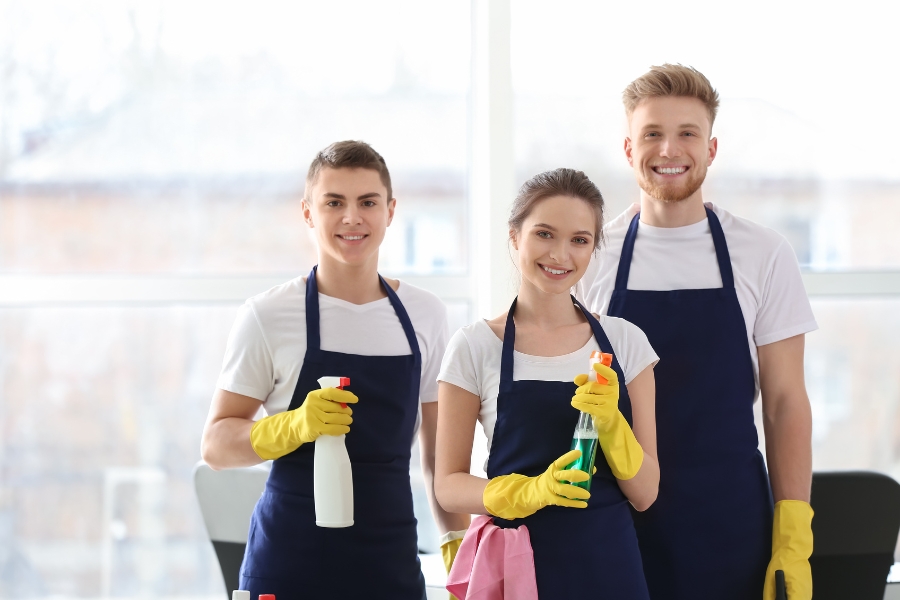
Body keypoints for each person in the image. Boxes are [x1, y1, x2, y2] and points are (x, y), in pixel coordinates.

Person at [578, 64, 817, 600]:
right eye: (652, 134)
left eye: (687, 133)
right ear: (627, 148)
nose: (669, 149)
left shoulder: (763, 253)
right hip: (615, 520)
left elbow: (783, 404)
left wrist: (793, 534)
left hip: (731, 524)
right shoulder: (590, 256)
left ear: (710, 148)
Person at [200, 140, 469, 599]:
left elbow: (437, 456)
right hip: (288, 566)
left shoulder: (425, 315)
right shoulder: (268, 315)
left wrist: (456, 544)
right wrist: (294, 426)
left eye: (367, 202)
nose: (352, 217)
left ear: (390, 210)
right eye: (334, 203)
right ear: (308, 212)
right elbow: (216, 447)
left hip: (391, 568)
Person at [435, 168, 660, 599]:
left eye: (580, 240)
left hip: (609, 567)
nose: (560, 254)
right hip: (518, 568)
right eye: (544, 234)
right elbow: (448, 485)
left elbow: (646, 492)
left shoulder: (626, 342)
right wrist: (528, 491)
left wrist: (612, 425)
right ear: (515, 236)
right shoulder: (474, 346)